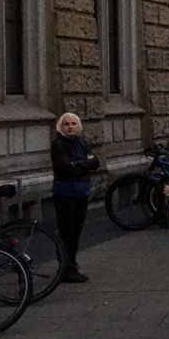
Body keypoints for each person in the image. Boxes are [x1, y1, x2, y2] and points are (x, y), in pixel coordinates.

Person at [50, 112, 99, 284]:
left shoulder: (83, 142)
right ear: (61, 127)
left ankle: (71, 262)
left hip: (81, 192)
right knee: (66, 232)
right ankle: (65, 267)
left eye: (73, 123)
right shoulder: (58, 144)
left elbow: (95, 162)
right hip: (65, 193)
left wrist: (78, 163)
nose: (70, 127)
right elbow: (65, 166)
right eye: (66, 124)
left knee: (76, 231)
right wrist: (83, 163)